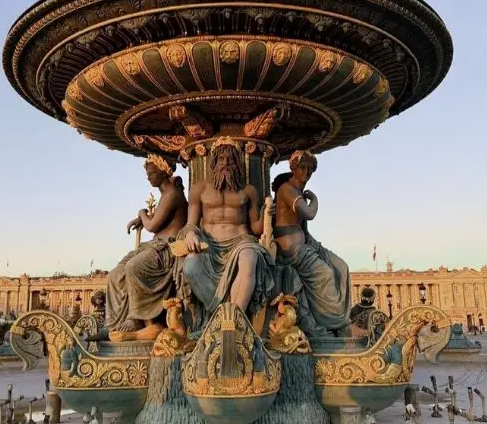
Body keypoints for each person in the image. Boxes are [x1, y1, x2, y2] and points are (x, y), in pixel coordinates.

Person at [178, 138, 274, 324]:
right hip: (209, 246)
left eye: (230, 160)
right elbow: (190, 224)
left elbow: (255, 227)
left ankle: (234, 321)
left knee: (250, 259)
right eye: (221, 159)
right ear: (213, 163)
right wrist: (191, 233)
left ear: (237, 163)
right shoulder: (199, 190)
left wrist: (266, 215)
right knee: (190, 266)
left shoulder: (248, 191)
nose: (225, 163)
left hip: (241, 241)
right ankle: (219, 314)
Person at [106, 155, 188, 333]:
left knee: (134, 266)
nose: (148, 177)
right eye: (147, 173)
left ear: (163, 172)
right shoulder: (164, 196)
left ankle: (137, 318)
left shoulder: (173, 193)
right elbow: (157, 221)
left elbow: (152, 226)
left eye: (151, 173)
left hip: (168, 247)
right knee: (115, 274)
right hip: (154, 245)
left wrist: (142, 213)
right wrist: (142, 218)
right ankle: (114, 324)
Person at [272, 150, 351, 335]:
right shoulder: (287, 189)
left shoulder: (297, 191)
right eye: (302, 168)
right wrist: (314, 199)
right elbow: (309, 213)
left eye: (310, 168)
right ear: (293, 168)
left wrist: (317, 247)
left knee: (340, 267)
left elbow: (304, 228)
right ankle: (334, 323)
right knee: (325, 274)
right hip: (291, 249)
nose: (306, 172)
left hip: (304, 244)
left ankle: (338, 319)